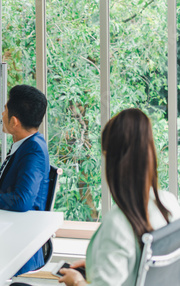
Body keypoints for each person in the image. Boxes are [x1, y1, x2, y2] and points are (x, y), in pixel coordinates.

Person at [58, 108, 180, 286]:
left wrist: (77, 282)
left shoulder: (118, 223)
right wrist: (97, 266)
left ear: (112, 161)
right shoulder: (169, 204)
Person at [0, 84, 50, 275]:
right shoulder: (26, 144)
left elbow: (22, 201)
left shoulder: (34, 150)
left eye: (5, 110)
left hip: (18, 246)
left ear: (14, 121)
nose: (2, 114)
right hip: (6, 230)